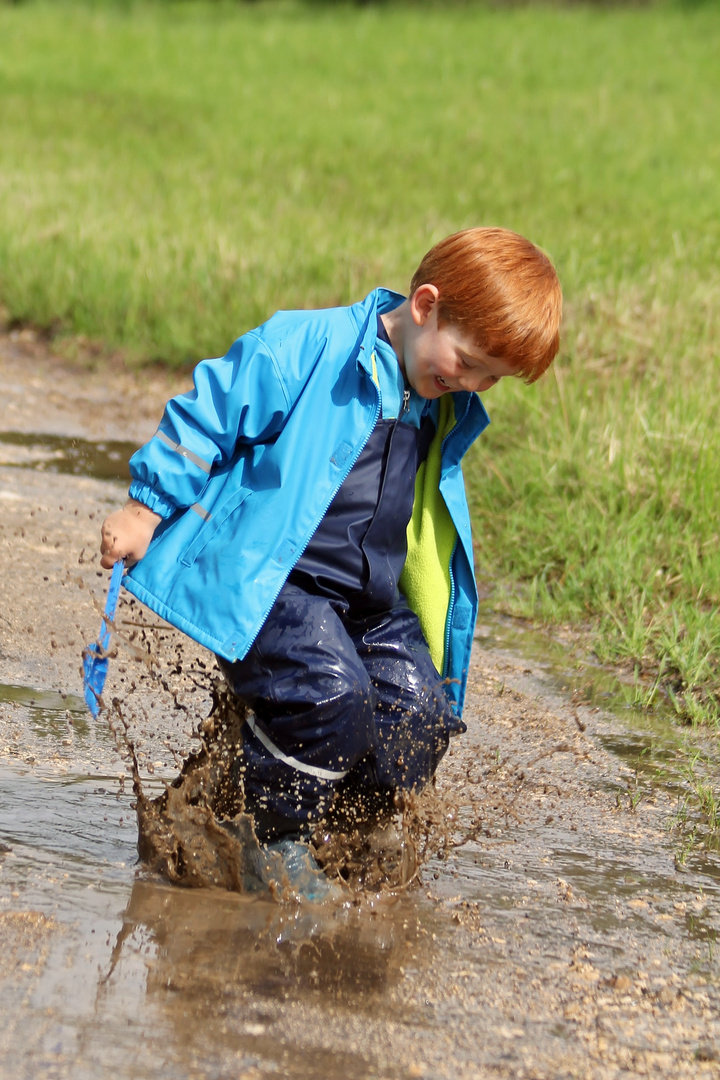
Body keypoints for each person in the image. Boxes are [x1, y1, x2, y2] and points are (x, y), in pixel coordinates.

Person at [99, 226, 561, 868]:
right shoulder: (310, 348)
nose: (473, 385)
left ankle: (342, 832)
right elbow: (209, 413)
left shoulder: (434, 399)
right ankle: (260, 836)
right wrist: (143, 508)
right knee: (330, 693)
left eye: (493, 378)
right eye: (470, 361)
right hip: (276, 585)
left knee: (417, 711)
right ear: (425, 306)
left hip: (362, 600)